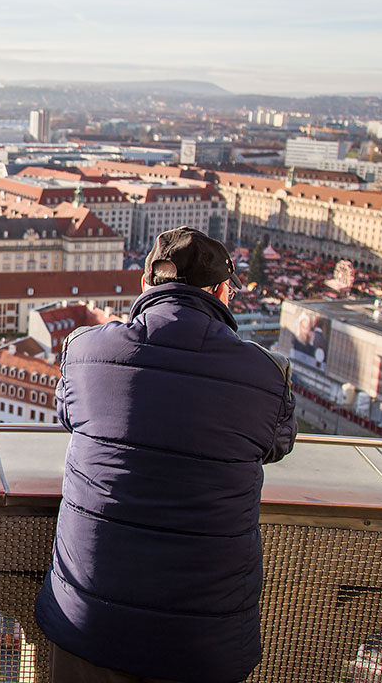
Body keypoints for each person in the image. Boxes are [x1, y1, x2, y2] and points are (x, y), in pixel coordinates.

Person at [35, 226, 297, 683]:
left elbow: (68, 413)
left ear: (144, 284)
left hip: (89, 618)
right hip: (202, 639)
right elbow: (277, 444)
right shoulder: (268, 375)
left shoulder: (83, 350)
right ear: (222, 292)